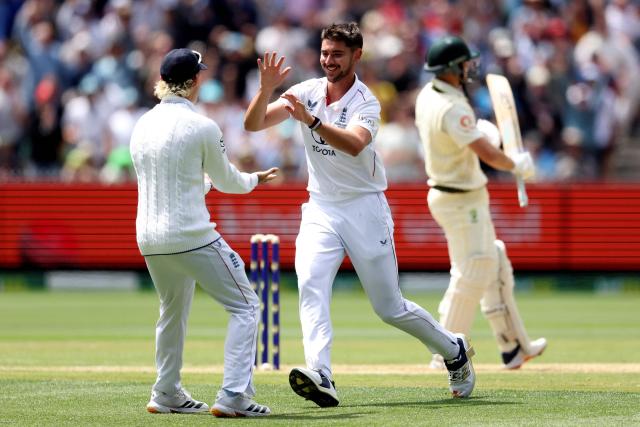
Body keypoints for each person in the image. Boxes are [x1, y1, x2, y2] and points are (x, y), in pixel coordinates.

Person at [244, 22, 476, 406]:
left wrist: (312, 121)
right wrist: (266, 88)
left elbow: (354, 144)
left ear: (357, 56)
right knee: (311, 286)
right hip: (320, 206)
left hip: (364, 207)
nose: (328, 60)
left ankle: (454, 349)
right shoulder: (306, 91)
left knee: (389, 308)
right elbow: (252, 124)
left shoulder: (366, 101)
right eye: (324, 53)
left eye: (337, 54)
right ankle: (322, 373)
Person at [130, 48, 278, 417]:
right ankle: (234, 395)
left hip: (150, 237)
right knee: (246, 306)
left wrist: (204, 184)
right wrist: (254, 180)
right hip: (192, 234)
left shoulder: (142, 123)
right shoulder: (202, 125)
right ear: (196, 80)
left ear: (164, 81)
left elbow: (172, 180)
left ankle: (166, 392)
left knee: (171, 311)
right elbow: (230, 181)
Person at [414, 35, 547, 371]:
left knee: (494, 260)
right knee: (473, 270)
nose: (470, 68)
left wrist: (479, 133)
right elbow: (485, 153)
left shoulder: (430, 94)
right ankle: (443, 353)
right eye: (465, 64)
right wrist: (515, 163)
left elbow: (460, 140)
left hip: (460, 193)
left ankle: (514, 346)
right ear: (451, 68)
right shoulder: (451, 106)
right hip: (459, 198)